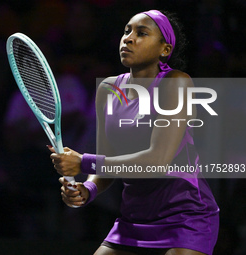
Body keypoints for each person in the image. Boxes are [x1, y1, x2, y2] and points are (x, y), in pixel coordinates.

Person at [48, 10, 219, 255]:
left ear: (165, 50)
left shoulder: (177, 82)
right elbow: (108, 162)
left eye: (141, 33)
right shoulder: (108, 89)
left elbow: (157, 161)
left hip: (185, 218)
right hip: (133, 219)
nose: (128, 38)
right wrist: (89, 189)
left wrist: (83, 162)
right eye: (127, 31)